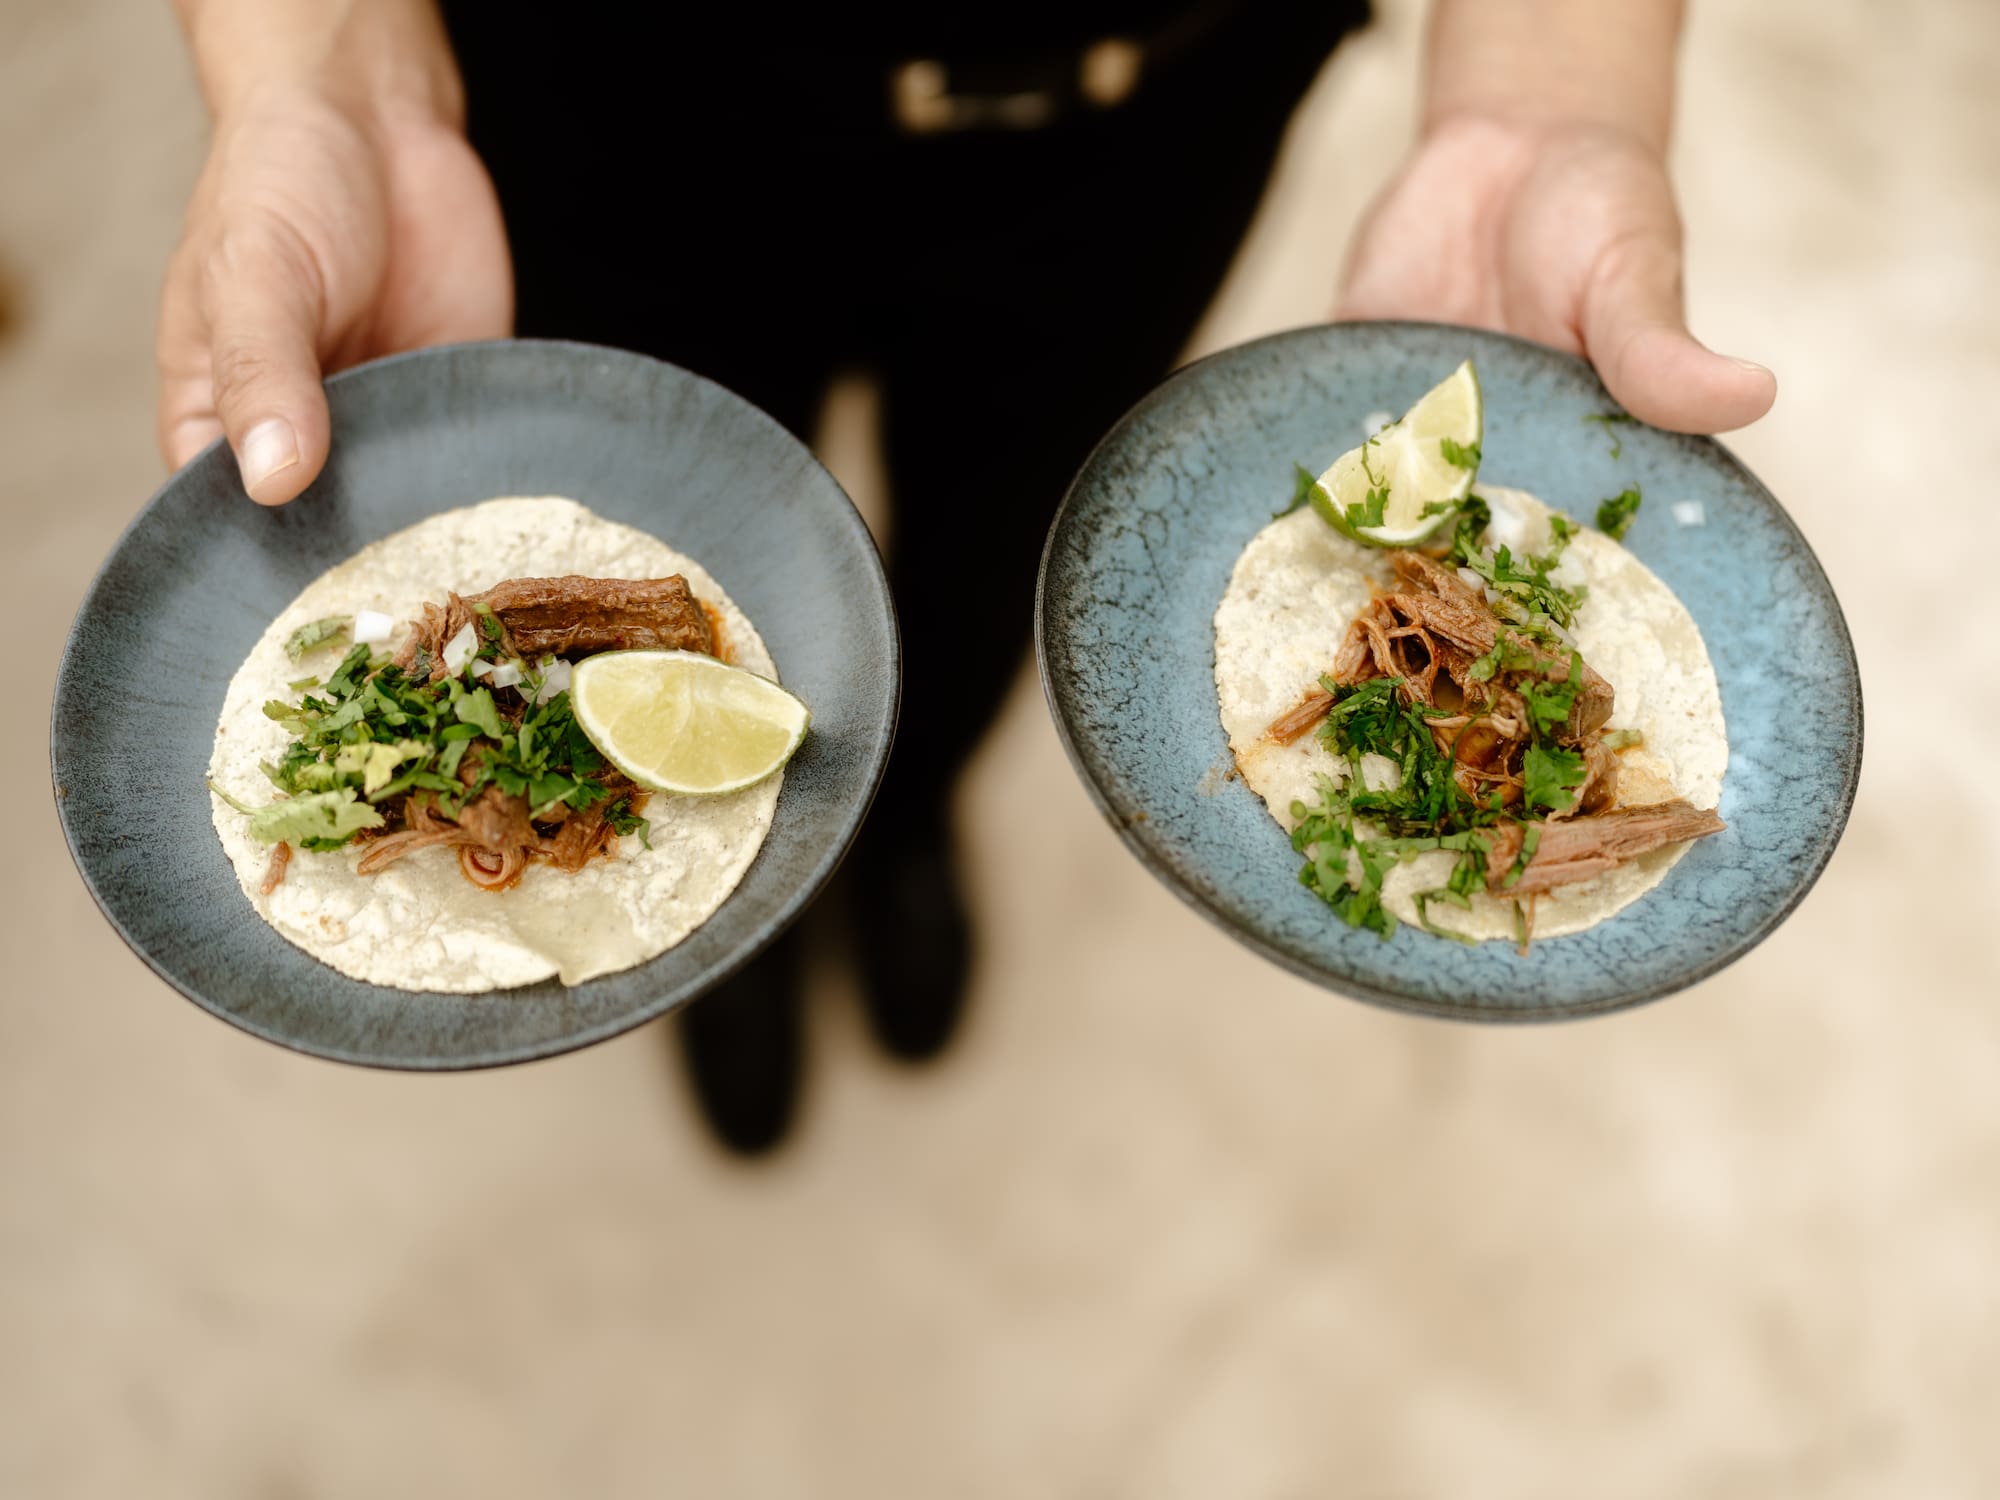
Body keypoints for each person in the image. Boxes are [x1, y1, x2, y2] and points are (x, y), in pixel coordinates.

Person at [156, 0, 1776, 1154]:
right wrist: (317, 64)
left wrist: (1553, 91)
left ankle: (909, 809)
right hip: (618, 91)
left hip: (1158, 110)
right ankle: (746, 906)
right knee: (653, 581)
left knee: (1018, 536)